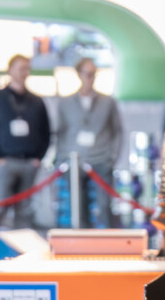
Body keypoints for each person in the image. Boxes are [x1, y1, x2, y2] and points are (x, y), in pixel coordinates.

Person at [0, 54, 52, 234]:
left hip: (29, 163)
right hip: (5, 162)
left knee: (24, 213)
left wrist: (38, 158)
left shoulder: (36, 101)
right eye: (20, 68)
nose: (24, 72)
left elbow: (46, 133)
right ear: (10, 70)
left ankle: (22, 249)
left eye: (26, 69)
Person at [53, 57, 125, 228]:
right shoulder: (65, 103)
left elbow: (117, 131)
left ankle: (107, 241)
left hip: (101, 159)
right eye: (87, 73)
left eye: (93, 74)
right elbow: (60, 132)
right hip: (75, 160)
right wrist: (62, 158)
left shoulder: (108, 102)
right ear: (79, 74)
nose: (90, 78)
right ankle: (81, 240)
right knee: (78, 208)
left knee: (104, 206)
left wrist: (112, 157)